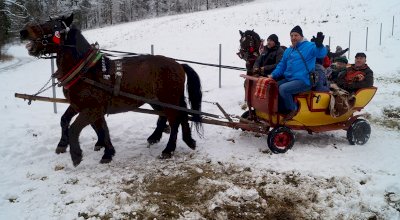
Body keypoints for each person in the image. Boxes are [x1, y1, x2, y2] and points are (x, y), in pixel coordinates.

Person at [270, 25, 327, 120]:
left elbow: (321, 54)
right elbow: (281, 65)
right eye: (291, 36)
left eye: (296, 35)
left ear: (301, 36)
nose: (293, 38)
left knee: (283, 89)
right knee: (273, 86)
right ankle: (280, 109)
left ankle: (293, 109)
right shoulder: (289, 50)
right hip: (289, 79)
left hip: (304, 80)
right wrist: (272, 75)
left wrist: (320, 46)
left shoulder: (310, 46)